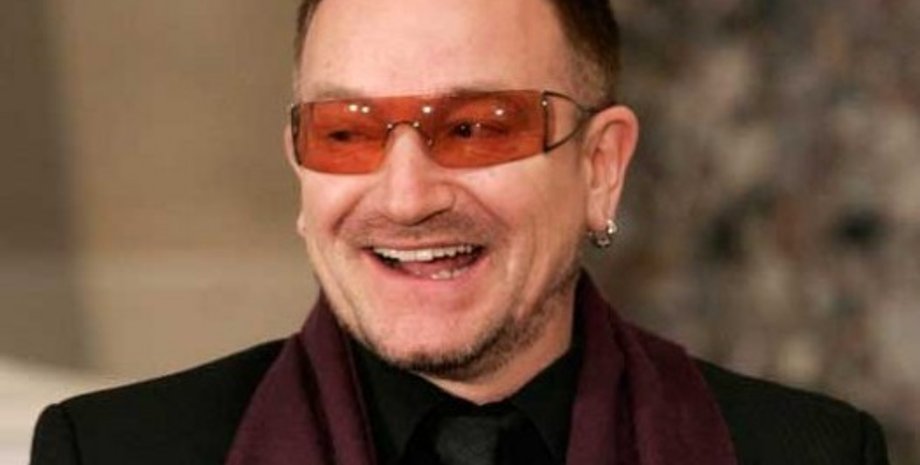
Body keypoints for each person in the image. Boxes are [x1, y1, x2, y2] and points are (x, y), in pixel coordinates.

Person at [30, 0, 890, 464]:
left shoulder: (809, 454)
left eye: (477, 127)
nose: (406, 197)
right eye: (347, 132)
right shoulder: (107, 453)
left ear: (600, 167)